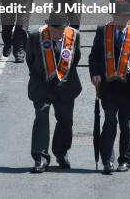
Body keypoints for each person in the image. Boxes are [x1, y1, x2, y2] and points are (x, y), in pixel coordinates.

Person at [89, 0, 130, 174]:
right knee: (109, 122)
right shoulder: (103, 31)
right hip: (109, 88)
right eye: (117, 16)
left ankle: (125, 160)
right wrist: (95, 73)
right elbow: (94, 56)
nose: (119, 20)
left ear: (128, 17)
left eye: (123, 17)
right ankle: (107, 161)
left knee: (127, 125)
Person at [26, 11, 82, 173]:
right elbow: (30, 60)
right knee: (42, 116)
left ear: (66, 27)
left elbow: (75, 58)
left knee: (65, 121)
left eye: (60, 30)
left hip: (65, 85)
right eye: (54, 30)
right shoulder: (36, 36)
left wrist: (61, 75)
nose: (57, 34)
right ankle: (41, 157)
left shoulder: (74, 36)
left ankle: (61, 152)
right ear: (48, 26)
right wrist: (43, 74)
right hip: (42, 84)